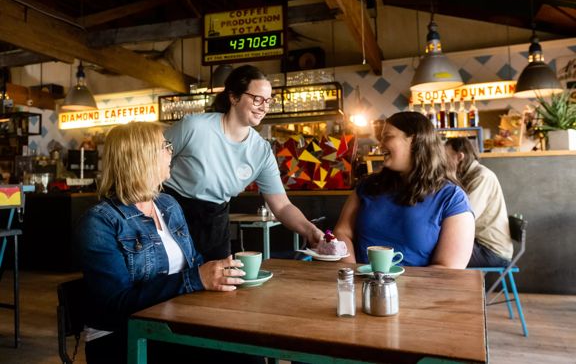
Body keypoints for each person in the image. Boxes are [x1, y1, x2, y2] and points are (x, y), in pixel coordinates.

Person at [75, 122, 258, 364]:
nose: (171, 151)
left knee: (249, 347)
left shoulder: (167, 205)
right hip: (122, 337)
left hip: (174, 322)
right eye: (165, 146)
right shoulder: (100, 222)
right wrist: (197, 278)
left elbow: (193, 263)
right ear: (141, 158)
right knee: (240, 356)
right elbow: (115, 306)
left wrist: (220, 273)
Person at [163, 65, 323, 260]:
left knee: (221, 285)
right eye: (257, 99)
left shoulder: (261, 151)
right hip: (170, 216)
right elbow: (147, 161)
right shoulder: (194, 127)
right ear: (233, 97)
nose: (264, 107)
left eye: (268, 101)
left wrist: (309, 229)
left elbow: (281, 206)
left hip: (215, 225)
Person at [334, 112, 475, 268]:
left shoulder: (452, 198)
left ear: (414, 140)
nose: (380, 145)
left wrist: (397, 288)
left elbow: (448, 268)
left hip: (419, 290)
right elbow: (342, 232)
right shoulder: (367, 186)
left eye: (387, 136)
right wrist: (351, 273)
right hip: (362, 285)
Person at [445, 137, 513, 267]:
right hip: (480, 244)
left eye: (446, 156)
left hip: (492, 251)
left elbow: (465, 217)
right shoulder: (469, 175)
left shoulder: (482, 176)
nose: (443, 161)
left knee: (437, 254)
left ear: (459, 157)